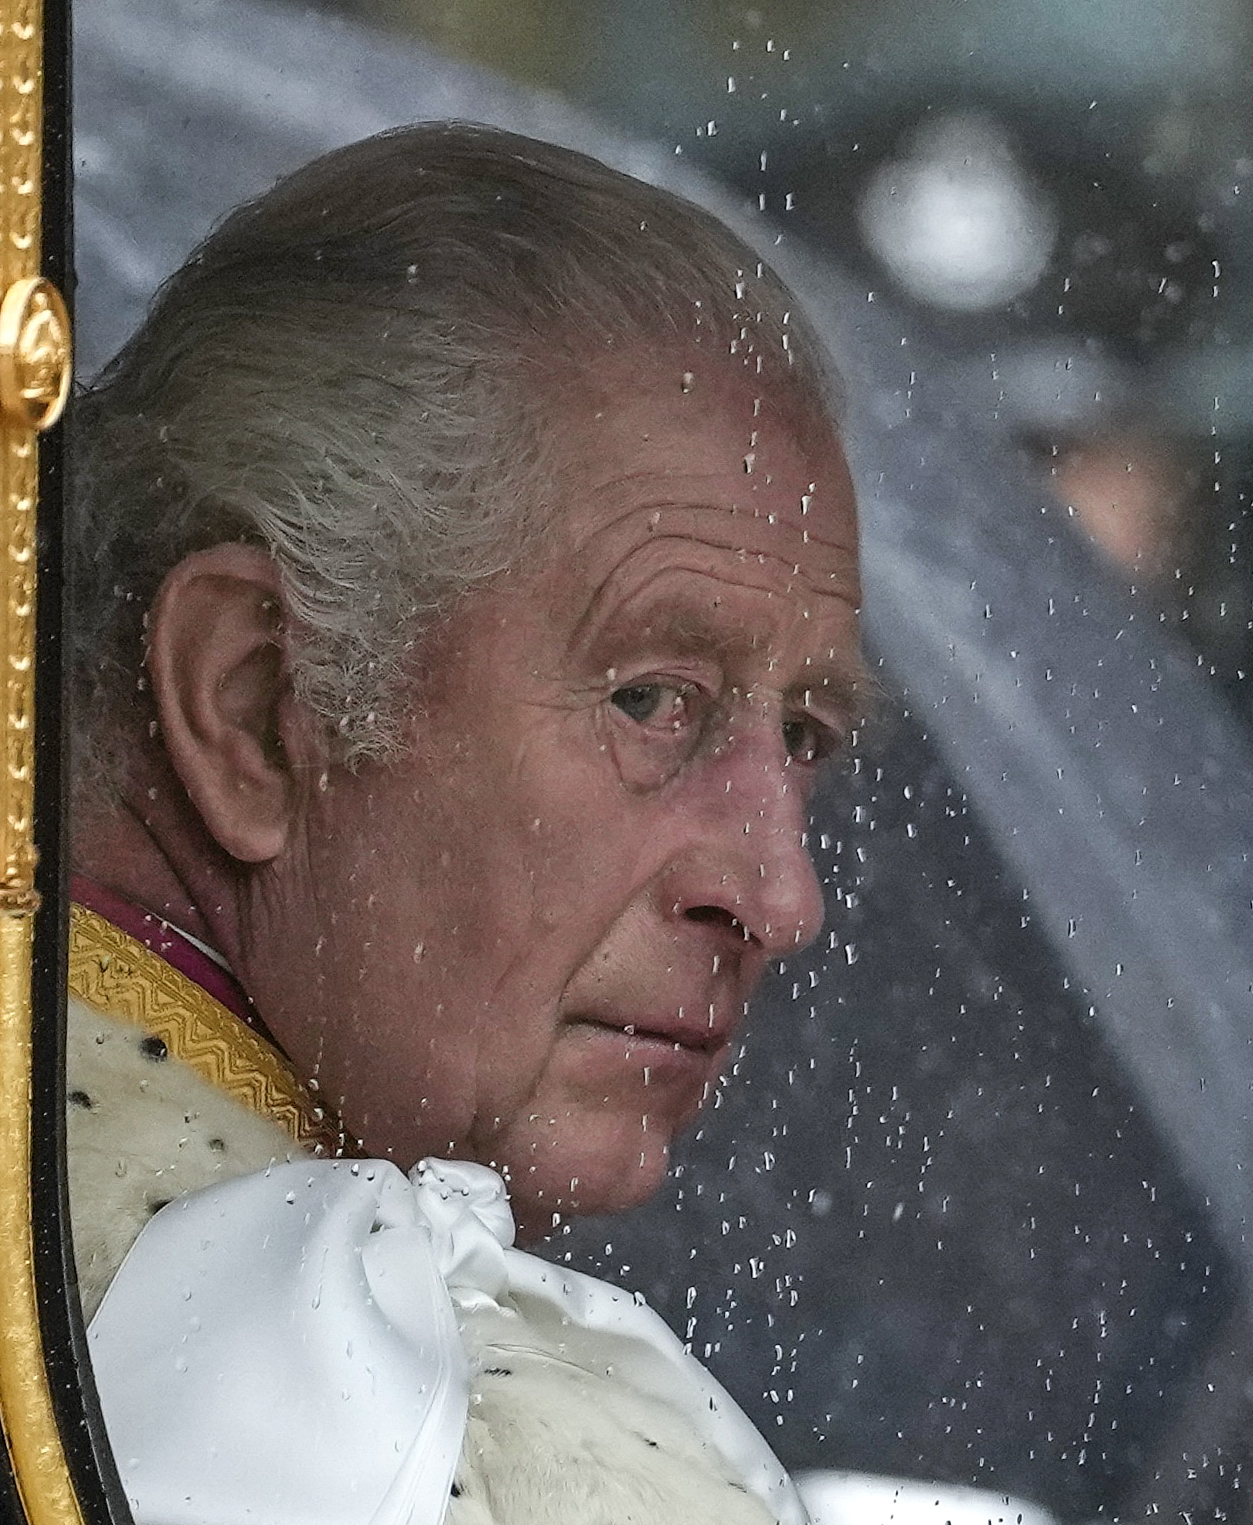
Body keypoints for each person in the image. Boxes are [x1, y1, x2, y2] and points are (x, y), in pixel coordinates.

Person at [61, 121, 863, 1525]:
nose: (781, 896)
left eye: (803, 735)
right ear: (254, 703)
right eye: (654, 701)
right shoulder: (394, 1436)